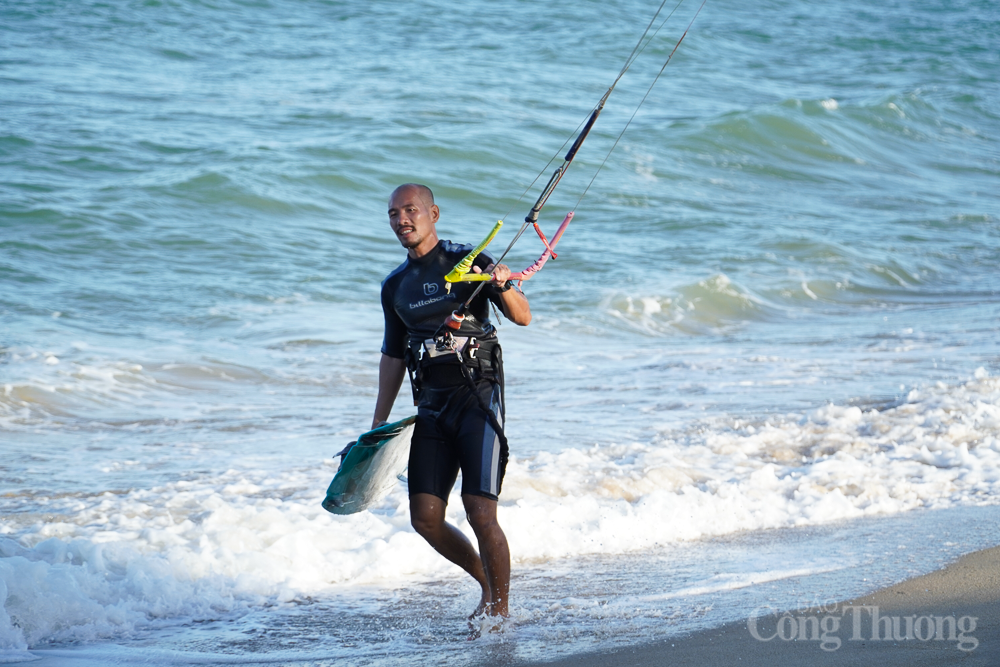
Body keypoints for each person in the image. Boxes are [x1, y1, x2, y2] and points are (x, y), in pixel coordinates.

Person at [372, 183, 531, 622]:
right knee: (425, 518)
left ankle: (498, 615)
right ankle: (487, 581)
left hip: (478, 398)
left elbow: (522, 315)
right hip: (432, 407)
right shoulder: (395, 287)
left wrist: (502, 282)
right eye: (392, 214)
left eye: (410, 210)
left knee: (480, 512)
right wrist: (378, 424)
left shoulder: (470, 261)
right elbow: (393, 356)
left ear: (433, 213)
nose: (401, 219)